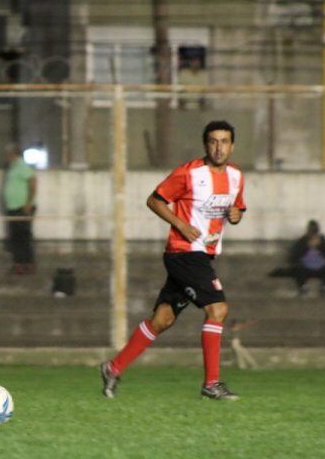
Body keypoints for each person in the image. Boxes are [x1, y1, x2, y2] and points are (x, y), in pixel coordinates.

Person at [100, 120, 246, 401]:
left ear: (232, 145)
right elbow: (154, 200)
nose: (218, 147)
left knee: (162, 319)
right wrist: (180, 223)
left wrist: (236, 215)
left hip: (203, 254)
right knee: (218, 309)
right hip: (184, 252)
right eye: (213, 141)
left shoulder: (237, 177)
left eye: (224, 141)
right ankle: (211, 383)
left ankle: (113, 368)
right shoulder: (189, 173)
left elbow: (237, 208)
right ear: (206, 144)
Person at [3, 144, 37, 274]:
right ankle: (19, 264)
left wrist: (28, 203)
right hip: (13, 207)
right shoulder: (12, 167)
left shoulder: (21, 166)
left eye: (7, 154)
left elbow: (32, 181)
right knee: (16, 237)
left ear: (14, 154)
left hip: (22, 207)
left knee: (24, 237)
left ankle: (28, 263)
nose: (5, 157)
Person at [289, 219, 325, 297]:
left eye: (315, 232)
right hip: (306, 268)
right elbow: (294, 257)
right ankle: (303, 286)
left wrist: (320, 247)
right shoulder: (302, 241)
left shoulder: (322, 241)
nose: (313, 234)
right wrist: (307, 247)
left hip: (320, 267)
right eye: (312, 231)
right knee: (297, 267)